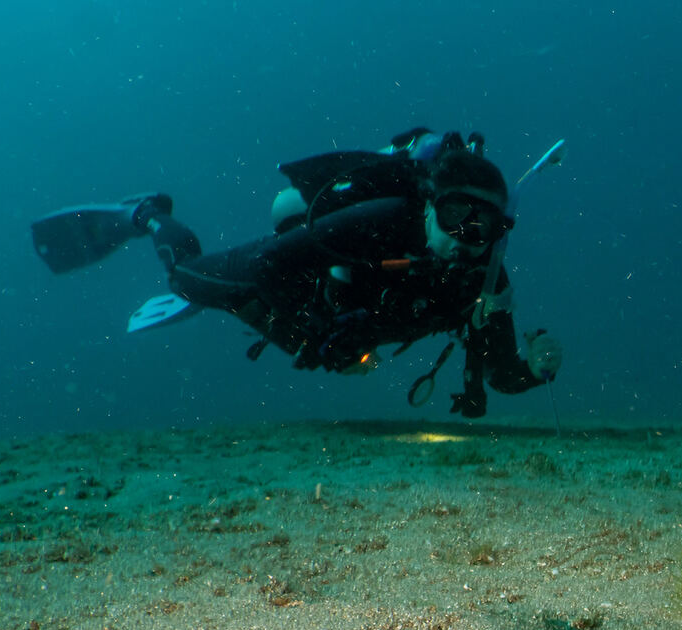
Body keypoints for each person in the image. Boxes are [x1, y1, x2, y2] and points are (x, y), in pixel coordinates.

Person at [30, 128, 562, 418]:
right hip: (295, 273)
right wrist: (317, 331)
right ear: (428, 205)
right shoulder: (378, 224)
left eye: (481, 225)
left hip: (333, 315)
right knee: (186, 278)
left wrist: (538, 366)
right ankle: (147, 215)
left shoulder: (486, 279)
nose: (464, 236)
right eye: (454, 217)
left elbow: (500, 372)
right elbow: (272, 266)